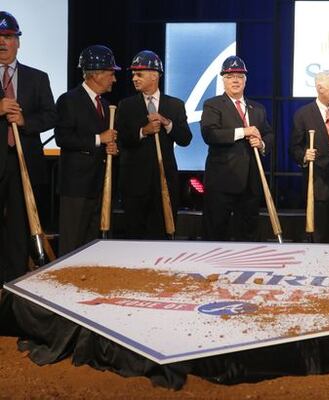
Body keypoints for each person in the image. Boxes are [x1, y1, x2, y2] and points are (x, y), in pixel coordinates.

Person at [0, 11, 57, 284]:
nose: (3, 42)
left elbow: (51, 116)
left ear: (18, 42)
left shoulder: (38, 77)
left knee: (20, 225)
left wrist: (25, 121)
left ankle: (13, 283)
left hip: (24, 163)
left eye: (9, 37)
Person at [116, 50, 192, 239]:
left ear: (154, 75)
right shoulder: (126, 105)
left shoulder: (175, 105)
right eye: (133, 74)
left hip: (164, 181)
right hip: (134, 184)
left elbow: (185, 139)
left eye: (139, 74)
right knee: (134, 235)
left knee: (162, 235)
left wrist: (167, 123)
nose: (134, 78)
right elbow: (121, 138)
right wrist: (143, 131)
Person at [55, 45, 120, 256]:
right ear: (97, 74)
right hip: (76, 187)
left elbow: (102, 144)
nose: (114, 79)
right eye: (111, 74)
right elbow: (63, 138)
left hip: (99, 185)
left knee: (92, 245)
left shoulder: (105, 104)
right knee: (72, 243)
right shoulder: (69, 100)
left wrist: (110, 147)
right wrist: (98, 139)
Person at [200, 56, 274, 241]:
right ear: (223, 80)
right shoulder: (213, 104)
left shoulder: (257, 108)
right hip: (221, 182)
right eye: (230, 76)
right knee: (216, 232)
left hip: (250, 184)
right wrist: (243, 132)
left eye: (240, 77)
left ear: (245, 80)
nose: (235, 80)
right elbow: (210, 134)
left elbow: (269, 134)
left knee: (248, 234)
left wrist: (262, 143)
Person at [289, 71, 329, 243]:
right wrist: (304, 155)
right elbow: (294, 148)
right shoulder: (303, 114)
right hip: (316, 181)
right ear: (319, 88)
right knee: (318, 230)